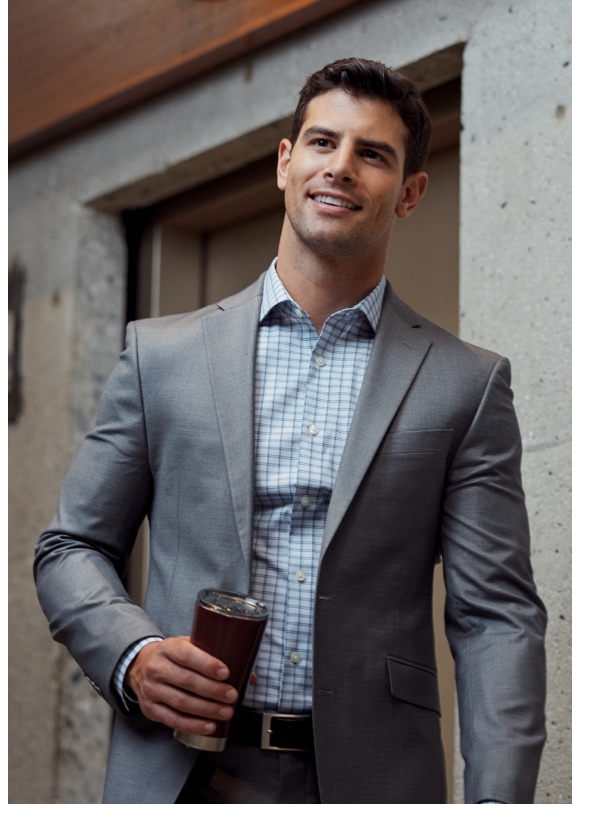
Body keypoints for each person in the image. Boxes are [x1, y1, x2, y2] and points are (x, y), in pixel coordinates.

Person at [34, 57, 547, 804]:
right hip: (179, 776)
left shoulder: (465, 385)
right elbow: (69, 546)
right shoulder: (161, 356)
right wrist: (133, 655)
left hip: (373, 785)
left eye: (372, 154)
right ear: (285, 162)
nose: (340, 168)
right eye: (321, 142)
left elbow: (496, 616)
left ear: (410, 193)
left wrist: (501, 812)